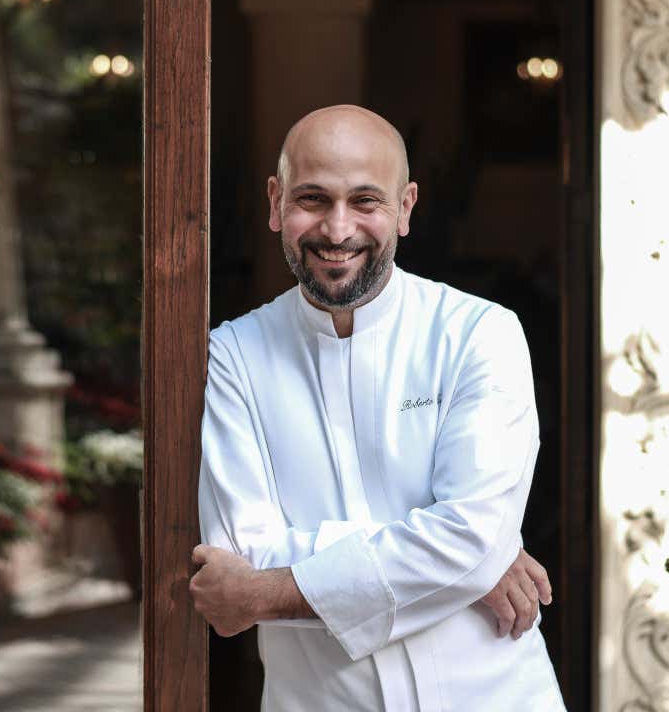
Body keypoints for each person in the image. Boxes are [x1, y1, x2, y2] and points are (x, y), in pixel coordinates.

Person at [189, 105, 567, 711]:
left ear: (406, 208)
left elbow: (469, 538)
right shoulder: (234, 354)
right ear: (274, 201)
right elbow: (242, 550)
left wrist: (264, 593)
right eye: (312, 199)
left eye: (366, 201)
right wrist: (458, 564)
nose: (338, 230)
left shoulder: (480, 333)